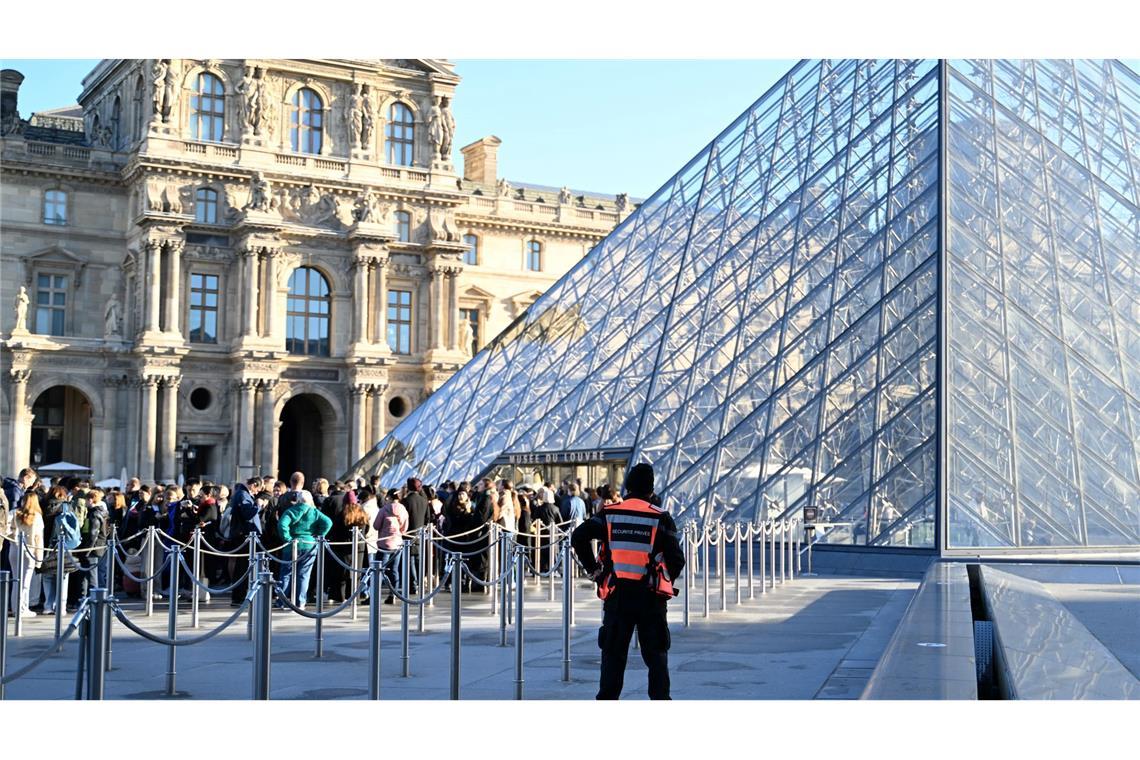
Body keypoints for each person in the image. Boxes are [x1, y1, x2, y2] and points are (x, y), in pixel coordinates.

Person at [571, 463, 685, 700]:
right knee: (657, 658)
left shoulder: (610, 514)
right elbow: (677, 560)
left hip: (617, 595)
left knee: (613, 656)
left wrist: (595, 572)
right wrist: (662, 579)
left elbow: (579, 536)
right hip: (650, 598)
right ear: (651, 490)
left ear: (628, 487)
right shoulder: (661, 517)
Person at [274, 490, 332, 609]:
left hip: (291, 545)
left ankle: (282, 601)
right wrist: (318, 534)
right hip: (309, 544)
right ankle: (300, 602)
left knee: (286, 574)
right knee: (304, 575)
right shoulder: (314, 512)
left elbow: (282, 524)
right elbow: (328, 522)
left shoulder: (290, 511)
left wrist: (287, 538)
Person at [7, 490, 44, 616]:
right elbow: (39, 539)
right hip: (29, 550)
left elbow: (5, 530)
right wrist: (39, 558)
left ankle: (16, 608)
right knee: (25, 582)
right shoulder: (37, 517)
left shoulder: (14, 513)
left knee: (16, 579)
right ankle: (23, 608)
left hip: (14, 548)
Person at [374, 488, 409, 604]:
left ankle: (375, 594)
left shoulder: (384, 509)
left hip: (384, 544)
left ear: (388, 497)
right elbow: (404, 528)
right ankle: (392, 594)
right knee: (394, 570)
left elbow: (376, 525)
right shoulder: (403, 509)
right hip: (397, 543)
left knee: (379, 570)